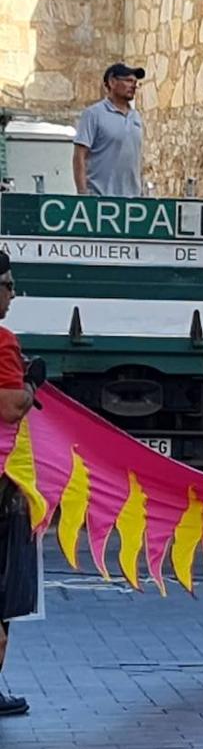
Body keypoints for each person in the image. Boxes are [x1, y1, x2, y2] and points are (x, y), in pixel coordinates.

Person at [0, 251, 45, 716]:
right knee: (6, 592)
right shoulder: (2, 343)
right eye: (8, 285)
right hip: (4, 484)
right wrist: (32, 386)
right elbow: (11, 407)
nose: (13, 294)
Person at [72, 62, 146, 198]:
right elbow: (79, 155)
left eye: (135, 82)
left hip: (132, 200)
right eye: (129, 81)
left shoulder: (136, 117)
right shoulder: (93, 114)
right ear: (112, 82)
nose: (134, 85)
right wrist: (83, 195)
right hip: (100, 198)